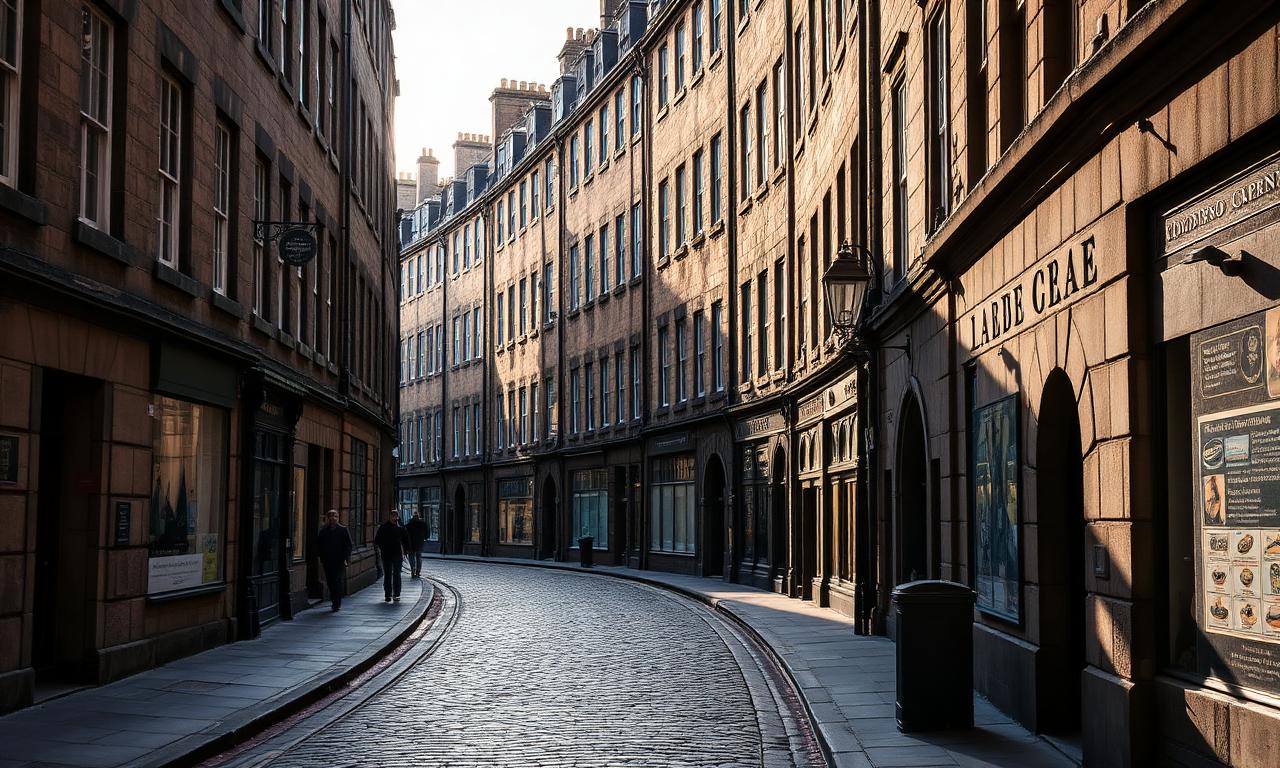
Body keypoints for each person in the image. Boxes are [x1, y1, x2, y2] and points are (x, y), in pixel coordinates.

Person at [316, 509, 352, 612]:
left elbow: (348, 545)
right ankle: (334, 600)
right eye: (331, 516)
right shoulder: (323, 531)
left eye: (335, 516)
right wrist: (321, 557)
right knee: (330, 581)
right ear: (328, 518)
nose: (333, 518)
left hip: (339, 560)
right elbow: (319, 544)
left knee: (337, 581)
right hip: (327, 560)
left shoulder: (343, 530)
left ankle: (337, 603)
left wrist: (346, 557)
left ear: (338, 518)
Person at [373, 510, 410, 602]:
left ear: (397, 517)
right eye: (393, 515)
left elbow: (406, 540)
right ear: (390, 516)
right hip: (386, 554)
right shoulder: (383, 527)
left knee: (397, 574)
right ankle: (388, 594)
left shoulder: (400, 528)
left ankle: (396, 594)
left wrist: (406, 551)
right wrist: (383, 547)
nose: (394, 517)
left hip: (397, 554)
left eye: (396, 516)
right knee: (388, 575)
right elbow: (377, 540)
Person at [404, 512, 427, 578]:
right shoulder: (423, 524)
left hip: (410, 544)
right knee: (419, 557)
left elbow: (405, 535)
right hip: (419, 543)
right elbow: (427, 533)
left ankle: (412, 570)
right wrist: (424, 538)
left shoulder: (409, 524)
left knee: (411, 557)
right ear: (418, 516)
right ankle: (418, 571)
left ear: (412, 517)